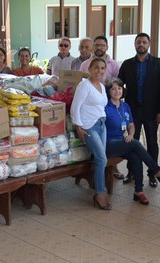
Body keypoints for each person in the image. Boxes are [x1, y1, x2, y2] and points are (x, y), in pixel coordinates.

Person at [104, 77, 160, 205]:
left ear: (122, 90)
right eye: (113, 89)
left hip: (122, 142)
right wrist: (131, 139)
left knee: (136, 156)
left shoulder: (125, 106)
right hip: (108, 144)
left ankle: (139, 191)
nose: (116, 91)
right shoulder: (105, 107)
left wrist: (131, 134)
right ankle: (157, 171)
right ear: (108, 91)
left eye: (119, 88)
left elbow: (130, 124)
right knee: (136, 144)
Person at [117, 33, 160, 187]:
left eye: (144, 42)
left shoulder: (159, 63)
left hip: (152, 111)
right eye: (138, 42)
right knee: (132, 142)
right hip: (132, 111)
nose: (141, 45)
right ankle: (131, 172)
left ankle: (152, 174)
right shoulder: (127, 64)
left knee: (152, 143)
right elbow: (119, 85)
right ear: (135, 44)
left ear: (149, 44)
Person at [70, 58, 110, 210]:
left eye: (102, 68)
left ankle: (99, 187)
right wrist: (79, 127)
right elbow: (75, 107)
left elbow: (101, 106)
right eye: (96, 68)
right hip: (88, 126)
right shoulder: (84, 85)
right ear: (89, 69)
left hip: (101, 125)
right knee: (101, 158)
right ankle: (99, 193)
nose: (99, 71)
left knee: (101, 159)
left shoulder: (101, 86)